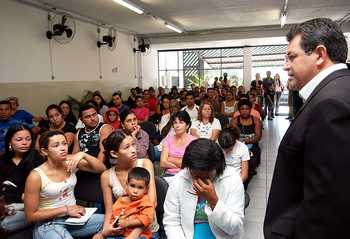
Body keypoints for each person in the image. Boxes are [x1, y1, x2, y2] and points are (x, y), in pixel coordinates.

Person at [264, 18, 350, 239]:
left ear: (320, 54)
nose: (285, 65)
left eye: (292, 57)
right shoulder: (337, 90)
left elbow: (328, 207)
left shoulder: (331, 104)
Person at [24, 130, 106, 239]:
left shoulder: (70, 162)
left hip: (73, 219)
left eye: (64, 143)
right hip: (49, 224)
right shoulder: (36, 176)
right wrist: (66, 209)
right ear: (44, 151)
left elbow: (101, 169)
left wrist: (82, 154)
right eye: (56, 145)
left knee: (112, 220)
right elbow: (30, 216)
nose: (63, 148)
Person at [163, 138, 245, 239]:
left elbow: (234, 228)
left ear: (217, 168)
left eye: (207, 176)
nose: (200, 180)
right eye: (195, 175)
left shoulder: (232, 179)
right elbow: (172, 221)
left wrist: (212, 199)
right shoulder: (179, 180)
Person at [98, 130, 158, 238]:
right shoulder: (107, 176)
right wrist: (105, 231)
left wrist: (134, 234)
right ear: (114, 153)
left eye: (133, 145)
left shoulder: (145, 164)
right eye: (127, 147)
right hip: (122, 230)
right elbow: (109, 210)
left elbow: (152, 203)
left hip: (146, 229)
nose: (134, 150)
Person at [0, 124, 44, 233]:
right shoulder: (2, 159)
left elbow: (38, 192)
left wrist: (8, 189)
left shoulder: (37, 159)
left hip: (30, 208)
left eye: (28, 139)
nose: (24, 143)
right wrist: (19, 193)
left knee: (3, 224)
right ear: (10, 141)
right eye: (19, 139)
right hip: (4, 205)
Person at [108, 167, 154, 239]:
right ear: (127, 185)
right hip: (120, 234)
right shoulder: (121, 200)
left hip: (140, 235)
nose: (135, 191)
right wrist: (114, 226)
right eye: (132, 186)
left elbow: (147, 218)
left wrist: (128, 223)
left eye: (140, 187)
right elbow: (113, 215)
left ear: (146, 189)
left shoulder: (145, 202)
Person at [160, 111, 196, 178]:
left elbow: (191, 164)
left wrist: (169, 158)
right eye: (175, 123)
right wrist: (181, 164)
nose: (177, 125)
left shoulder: (193, 141)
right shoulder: (168, 140)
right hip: (169, 175)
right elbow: (162, 163)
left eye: (181, 122)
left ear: (187, 126)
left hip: (186, 176)